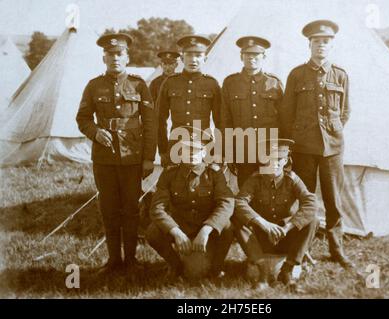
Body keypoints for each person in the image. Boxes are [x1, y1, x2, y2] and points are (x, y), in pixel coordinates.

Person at [76, 33, 158, 275]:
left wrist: (148, 158)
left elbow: (151, 123)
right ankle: (113, 261)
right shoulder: (93, 86)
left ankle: (131, 260)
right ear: (104, 58)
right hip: (104, 156)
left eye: (119, 54)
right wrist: (95, 132)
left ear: (127, 57)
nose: (115, 58)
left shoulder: (138, 85)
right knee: (109, 208)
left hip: (133, 156)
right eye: (110, 55)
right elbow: (82, 118)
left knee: (131, 209)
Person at [280, 20, 353, 268]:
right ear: (309, 44)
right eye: (316, 41)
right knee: (306, 199)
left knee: (334, 201)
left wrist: (333, 131)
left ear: (331, 45)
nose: (321, 45)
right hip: (303, 147)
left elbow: (345, 112)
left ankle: (336, 249)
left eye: (326, 41)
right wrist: (293, 143)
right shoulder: (297, 74)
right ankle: (303, 247)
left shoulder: (340, 75)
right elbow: (286, 113)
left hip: (332, 148)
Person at [146, 126, 235, 280]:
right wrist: (176, 231)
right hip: (181, 226)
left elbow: (226, 203)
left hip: (205, 226)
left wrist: (207, 229)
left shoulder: (214, 173)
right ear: (180, 153)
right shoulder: (169, 174)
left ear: (204, 153)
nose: (192, 154)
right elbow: (157, 208)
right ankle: (175, 266)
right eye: (188, 150)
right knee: (153, 232)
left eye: (197, 150)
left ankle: (217, 268)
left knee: (227, 227)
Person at [234, 138, 319, 290]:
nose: (274, 163)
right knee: (237, 219)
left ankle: (287, 270)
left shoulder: (292, 179)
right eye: (269, 159)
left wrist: (288, 227)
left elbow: (311, 202)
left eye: (279, 159)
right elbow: (239, 202)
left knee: (312, 219)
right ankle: (263, 273)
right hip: (262, 238)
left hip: (285, 236)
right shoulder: (255, 179)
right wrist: (263, 224)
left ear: (286, 160)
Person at [221, 36, 283, 188]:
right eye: (247, 54)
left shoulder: (274, 82)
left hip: (269, 146)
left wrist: (281, 150)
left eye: (256, 54)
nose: (251, 58)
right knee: (245, 190)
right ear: (241, 57)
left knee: (269, 189)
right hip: (243, 146)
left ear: (264, 57)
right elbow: (225, 119)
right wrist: (229, 150)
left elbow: (284, 118)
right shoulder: (231, 83)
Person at [157, 35, 221, 167]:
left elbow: (220, 121)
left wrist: (219, 151)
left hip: (204, 145)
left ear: (205, 58)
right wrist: (163, 151)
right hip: (176, 146)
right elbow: (159, 119)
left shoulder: (212, 84)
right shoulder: (170, 82)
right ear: (181, 58)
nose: (193, 60)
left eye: (198, 55)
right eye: (189, 55)